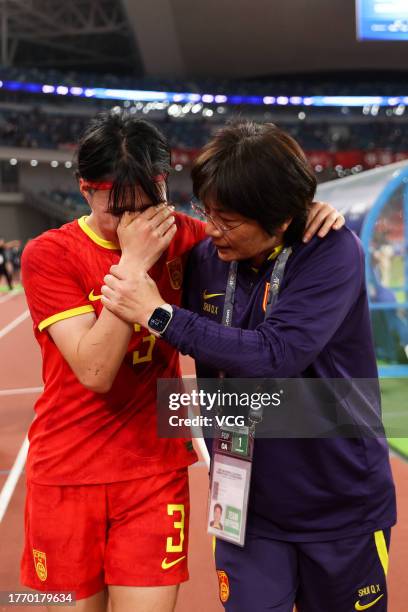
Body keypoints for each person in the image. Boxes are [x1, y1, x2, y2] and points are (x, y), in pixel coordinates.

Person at [21, 111, 343, 612]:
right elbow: (95, 371)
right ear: (85, 190)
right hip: (67, 471)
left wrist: (306, 211)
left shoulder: (193, 238)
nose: (134, 223)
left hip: (154, 472)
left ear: (163, 184)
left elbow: (256, 222)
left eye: (147, 206)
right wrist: (132, 262)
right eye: (117, 210)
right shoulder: (50, 254)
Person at [101, 120, 396, 612]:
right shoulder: (204, 259)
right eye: (206, 211)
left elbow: (275, 355)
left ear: (281, 218)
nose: (212, 228)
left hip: (341, 509)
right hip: (245, 513)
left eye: (229, 219)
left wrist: (159, 314)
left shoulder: (330, 251)